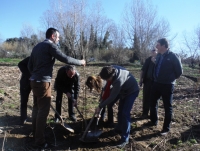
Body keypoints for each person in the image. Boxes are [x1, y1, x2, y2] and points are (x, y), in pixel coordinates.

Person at [28, 27, 85, 149]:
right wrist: (80, 62)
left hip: (33, 81)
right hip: (43, 82)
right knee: (43, 111)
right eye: (58, 37)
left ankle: (35, 132)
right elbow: (65, 58)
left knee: (37, 108)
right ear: (53, 36)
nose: (58, 40)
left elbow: (29, 65)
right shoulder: (50, 46)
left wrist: (35, 75)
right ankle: (39, 141)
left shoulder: (37, 46)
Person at [95, 65, 139, 148]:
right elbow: (106, 86)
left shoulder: (118, 80)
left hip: (131, 91)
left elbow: (112, 97)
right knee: (120, 110)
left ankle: (125, 139)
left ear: (111, 76)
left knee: (125, 113)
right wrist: (102, 96)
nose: (107, 81)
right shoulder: (111, 69)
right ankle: (119, 128)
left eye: (107, 79)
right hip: (124, 91)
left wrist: (100, 106)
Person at [150, 38, 182, 135]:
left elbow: (179, 71)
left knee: (167, 107)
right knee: (153, 103)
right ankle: (153, 121)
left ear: (164, 46)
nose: (156, 47)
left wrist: (170, 79)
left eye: (158, 45)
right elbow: (158, 67)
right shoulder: (159, 55)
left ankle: (166, 129)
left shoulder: (173, 56)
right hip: (156, 83)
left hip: (167, 85)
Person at [139, 49, 157, 118]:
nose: (153, 52)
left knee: (154, 99)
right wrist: (140, 80)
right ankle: (145, 113)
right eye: (152, 51)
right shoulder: (148, 60)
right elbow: (143, 70)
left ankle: (153, 115)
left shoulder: (160, 59)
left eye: (154, 51)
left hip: (156, 82)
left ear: (157, 52)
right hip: (147, 81)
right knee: (146, 97)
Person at [18, 56, 32, 125]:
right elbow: (20, 64)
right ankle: (23, 118)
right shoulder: (32, 57)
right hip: (25, 82)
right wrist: (29, 76)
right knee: (24, 100)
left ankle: (35, 118)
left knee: (37, 101)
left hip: (37, 83)